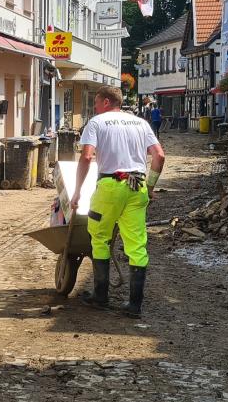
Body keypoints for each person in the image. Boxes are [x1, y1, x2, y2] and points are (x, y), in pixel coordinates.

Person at [68, 86, 166, 317]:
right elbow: (159, 155)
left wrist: (77, 191)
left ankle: (100, 297)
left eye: (96, 102)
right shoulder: (141, 123)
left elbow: (87, 156)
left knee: (100, 237)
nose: (94, 107)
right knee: (136, 245)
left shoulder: (97, 123)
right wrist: (149, 186)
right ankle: (134, 306)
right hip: (137, 186)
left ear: (105, 102)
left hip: (110, 187)